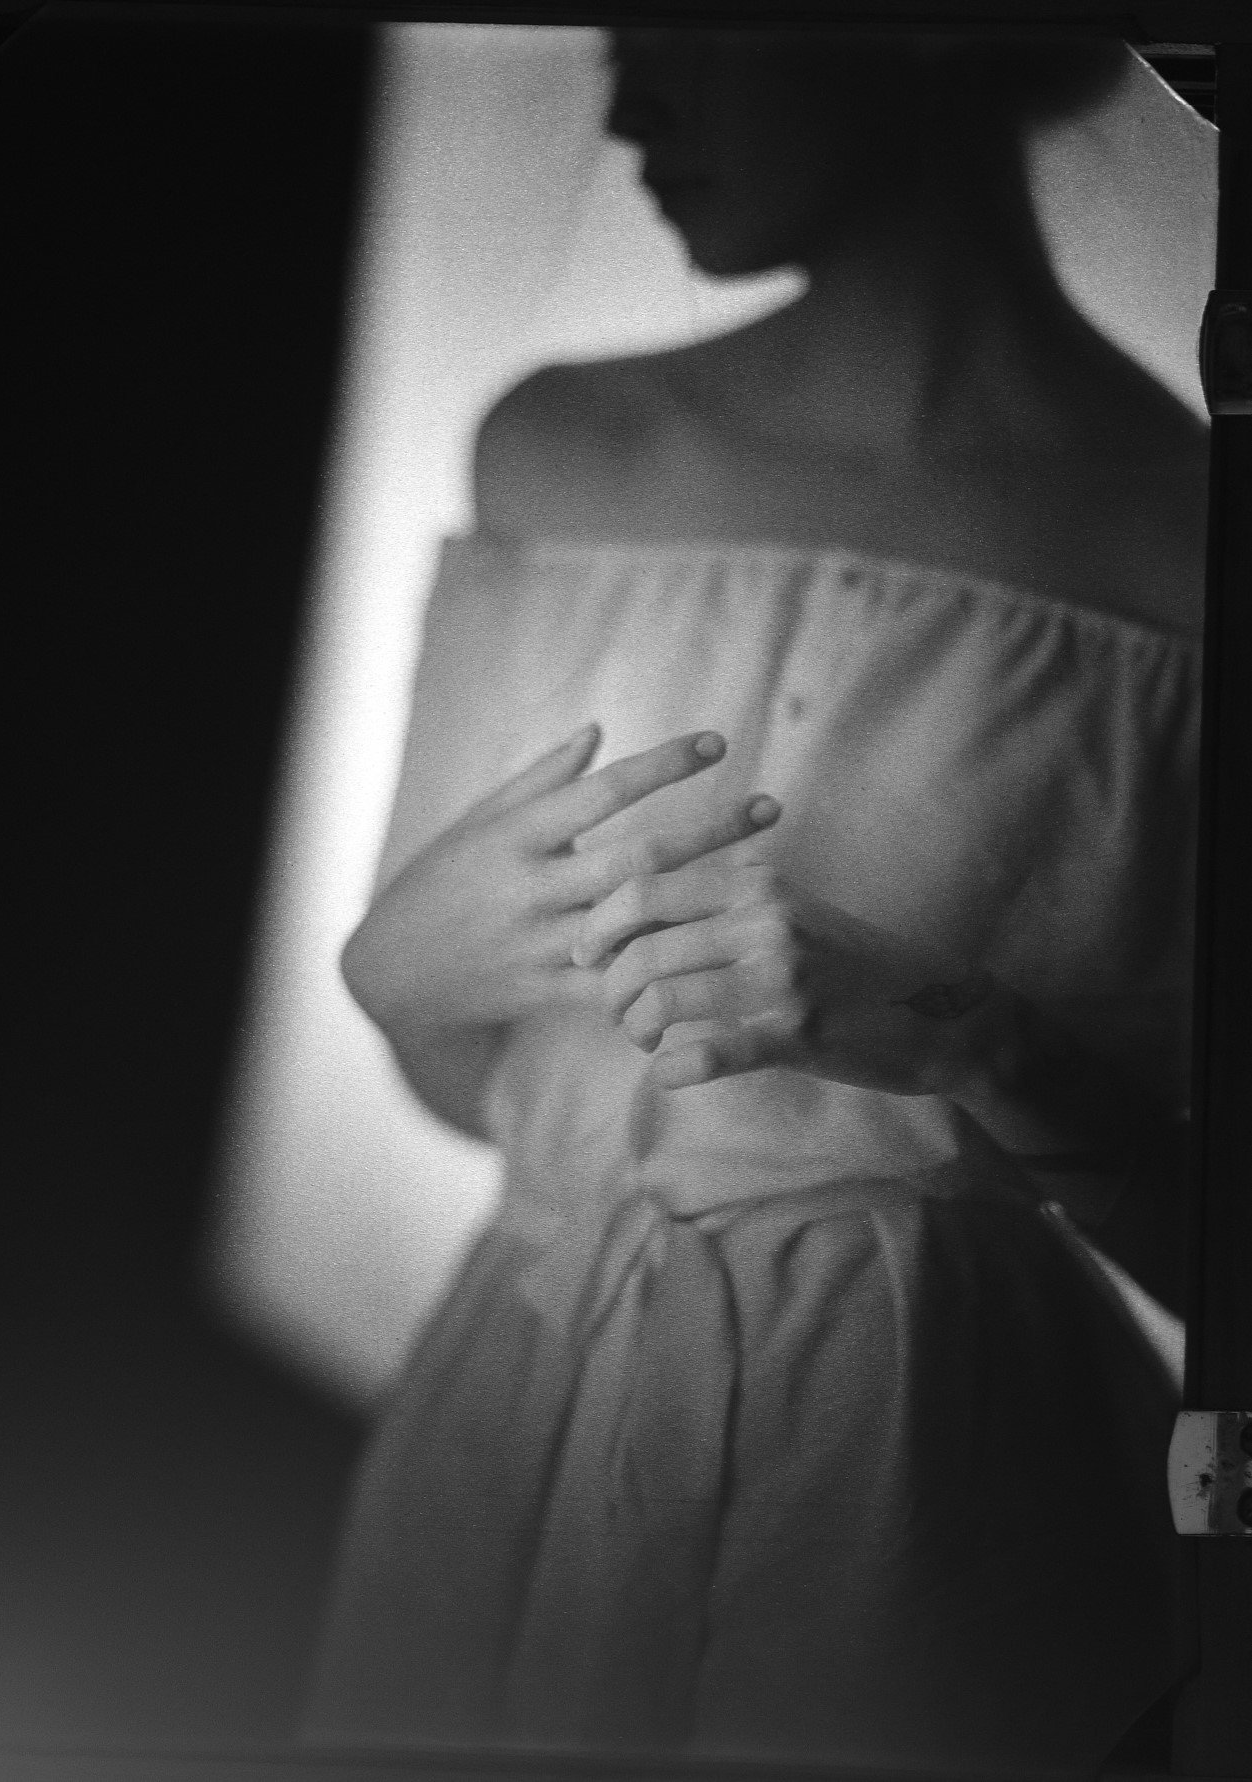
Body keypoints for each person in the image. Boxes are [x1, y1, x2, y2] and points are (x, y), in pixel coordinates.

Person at [302, 29, 1205, 1774]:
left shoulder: (1193, 550)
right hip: (515, 1426)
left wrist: (965, 1041)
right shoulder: (559, 451)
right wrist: (389, 977)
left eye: (684, 25)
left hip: (934, 1502)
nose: (626, 104)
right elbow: (482, 1084)